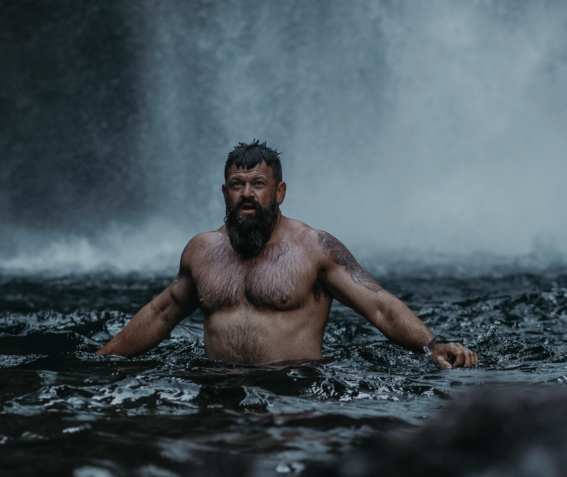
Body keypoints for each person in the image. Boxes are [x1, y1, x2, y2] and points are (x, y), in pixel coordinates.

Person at [97, 141, 477, 368]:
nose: (247, 193)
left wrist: (432, 344)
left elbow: (379, 305)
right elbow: (161, 313)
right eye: (237, 185)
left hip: (293, 394)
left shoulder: (314, 248)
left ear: (279, 192)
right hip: (219, 392)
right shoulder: (201, 250)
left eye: (258, 184)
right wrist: (102, 360)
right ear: (225, 192)